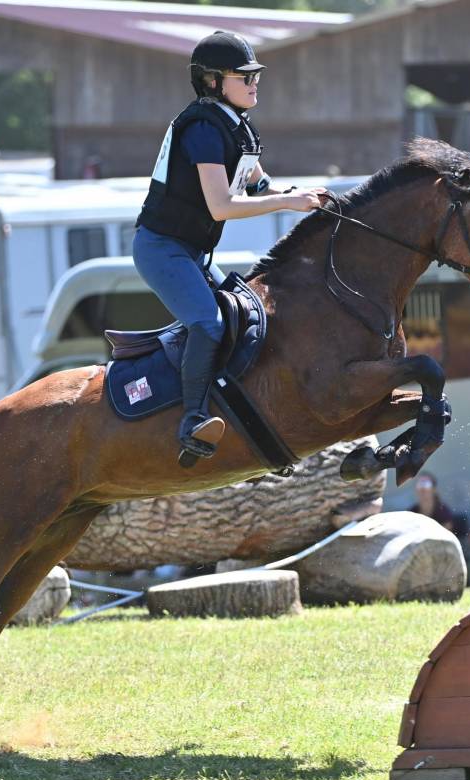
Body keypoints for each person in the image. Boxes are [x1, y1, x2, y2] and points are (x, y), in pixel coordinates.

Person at [134, 30, 326, 466]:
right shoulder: (203, 127)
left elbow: (259, 184)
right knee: (208, 325)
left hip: (194, 254)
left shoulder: (237, 125)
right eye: (244, 75)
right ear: (213, 81)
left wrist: (302, 195)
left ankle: (248, 424)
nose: (254, 81)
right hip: (161, 248)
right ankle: (191, 422)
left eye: (255, 74)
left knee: (246, 320)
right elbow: (221, 207)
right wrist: (285, 202)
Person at [409, 473, 469, 541]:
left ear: (434, 489)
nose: (423, 489)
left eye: (426, 484)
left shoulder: (442, 510)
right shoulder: (412, 512)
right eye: (419, 484)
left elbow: (446, 531)